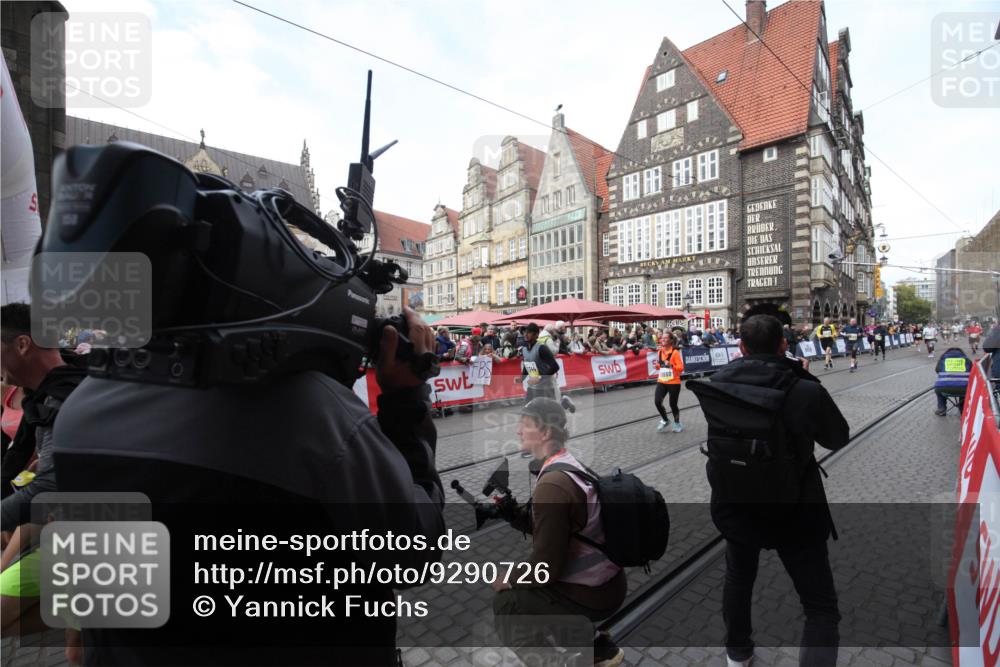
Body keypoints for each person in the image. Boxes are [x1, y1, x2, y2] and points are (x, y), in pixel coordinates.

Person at [52, 306, 446, 665]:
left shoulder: (77, 413)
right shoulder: (317, 413)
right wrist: (406, 398)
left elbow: (93, 609)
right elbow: (413, 554)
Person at [694, 315, 849, 667]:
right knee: (819, 605)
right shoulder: (805, 389)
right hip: (796, 506)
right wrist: (805, 378)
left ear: (741, 347)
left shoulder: (717, 383)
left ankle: (738, 652)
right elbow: (837, 437)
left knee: (739, 578)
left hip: (737, 499)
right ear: (784, 345)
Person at [492, 398, 626, 667]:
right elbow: (564, 529)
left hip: (594, 593)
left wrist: (508, 578)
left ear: (545, 433)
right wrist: (515, 516)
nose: (518, 431)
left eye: (524, 424)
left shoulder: (552, 485)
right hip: (609, 581)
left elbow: (546, 567)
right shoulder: (568, 463)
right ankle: (594, 645)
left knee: (507, 603)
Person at [0, 303, 87, 535]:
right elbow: (16, 456)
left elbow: (47, 491)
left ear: (22, 345)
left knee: (8, 574)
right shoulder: (41, 394)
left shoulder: (64, 399)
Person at [521, 322, 575, 413]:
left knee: (551, 414)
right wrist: (520, 379)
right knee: (527, 412)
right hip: (532, 388)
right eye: (524, 332)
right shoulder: (524, 350)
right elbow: (527, 366)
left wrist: (540, 377)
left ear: (536, 335)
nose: (525, 334)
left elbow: (555, 366)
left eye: (529, 332)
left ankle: (564, 402)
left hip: (545, 388)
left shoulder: (542, 348)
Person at [654, 333, 685, 433]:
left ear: (670, 341)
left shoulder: (675, 353)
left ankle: (677, 423)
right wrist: (657, 366)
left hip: (674, 382)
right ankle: (665, 420)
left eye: (665, 338)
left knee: (673, 404)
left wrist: (671, 365)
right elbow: (660, 366)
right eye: (662, 338)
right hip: (662, 381)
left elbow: (681, 368)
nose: (662, 339)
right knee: (657, 402)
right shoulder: (660, 352)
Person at [933, 347, 973, 416]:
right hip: (964, 389)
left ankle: (941, 409)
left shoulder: (942, 359)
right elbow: (972, 372)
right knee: (965, 388)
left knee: (938, 389)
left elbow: (937, 370)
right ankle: (963, 409)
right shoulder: (967, 360)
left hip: (943, 388)